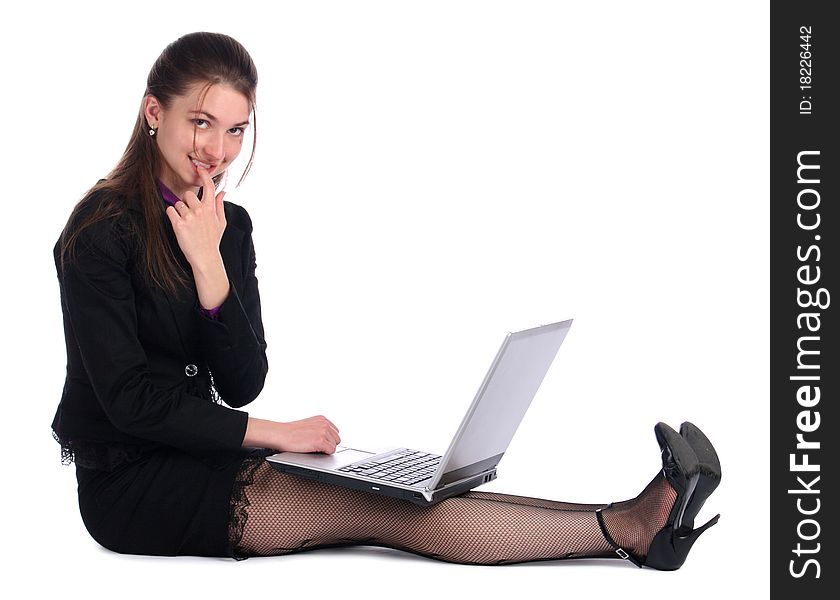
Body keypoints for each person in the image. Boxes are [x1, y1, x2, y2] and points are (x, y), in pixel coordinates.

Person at [52, 31, 721, 568]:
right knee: (387, 512)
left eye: (235, 130)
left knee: (404, 489)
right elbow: (131, 402)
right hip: (130, 484)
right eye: (202, 122)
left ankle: (631, 520)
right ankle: (631, 527)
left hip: (205, 452)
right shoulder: (97, 234)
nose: (218, 151)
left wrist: (210, 269)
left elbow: (242, 379)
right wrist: (276, 434)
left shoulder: (231, 227)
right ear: (152, 112)